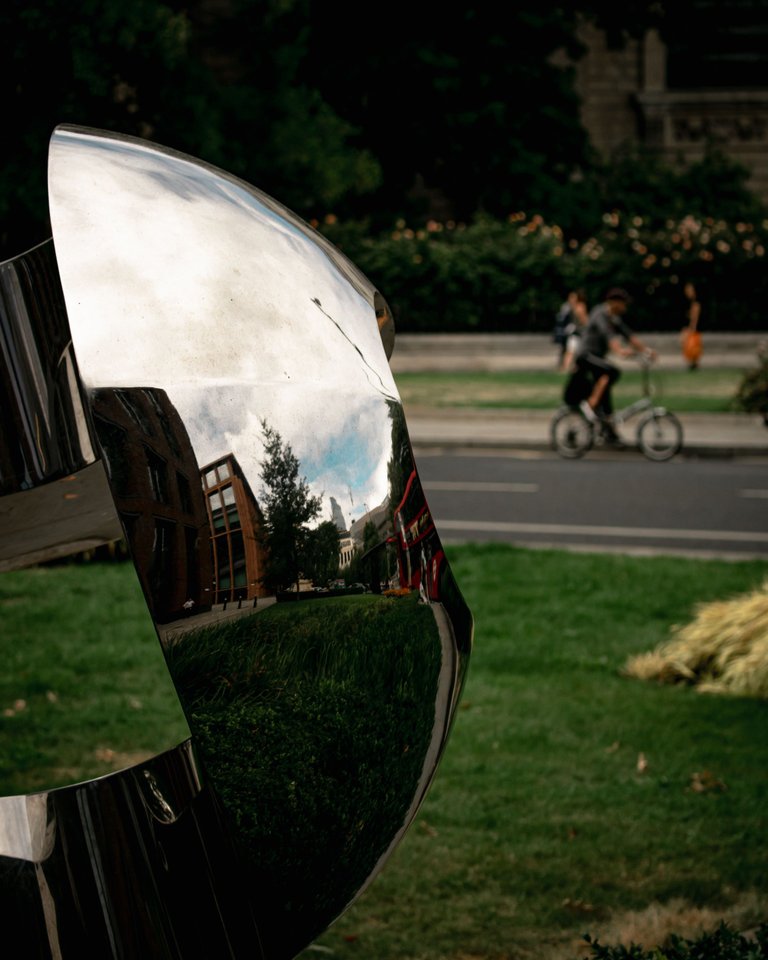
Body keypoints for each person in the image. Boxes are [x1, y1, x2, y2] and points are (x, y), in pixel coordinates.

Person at [570, 287, 657, 444]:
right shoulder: (600, 314)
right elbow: (609, 337)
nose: (625, 307)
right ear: (614, 303)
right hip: (586, 355)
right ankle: (591, 404)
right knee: (612, 372)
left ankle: (609, 431)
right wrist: (620, 351)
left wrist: (646, 351)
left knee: (607, 394)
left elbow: (629, 336)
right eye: (623, 304)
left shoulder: (614, 318)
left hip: (596, 358)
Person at [552, 290, 587, 369]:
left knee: (572, 352)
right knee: (571, 352)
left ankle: (568, 367)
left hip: (573, 332)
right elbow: (584, 321)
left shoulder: (570, 307)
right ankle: (566, 367)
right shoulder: (579, 307)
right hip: (577, 333)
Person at [680, 281, 703, 370]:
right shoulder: (689, 301)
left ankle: (694, 363)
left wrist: (692, 328)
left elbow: (695, 317)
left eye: (689, 290)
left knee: (693, 346)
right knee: (688, 345)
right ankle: (692, 363)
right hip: (689, 326)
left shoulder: (695, 302)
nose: (687, 292)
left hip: (693, 327)